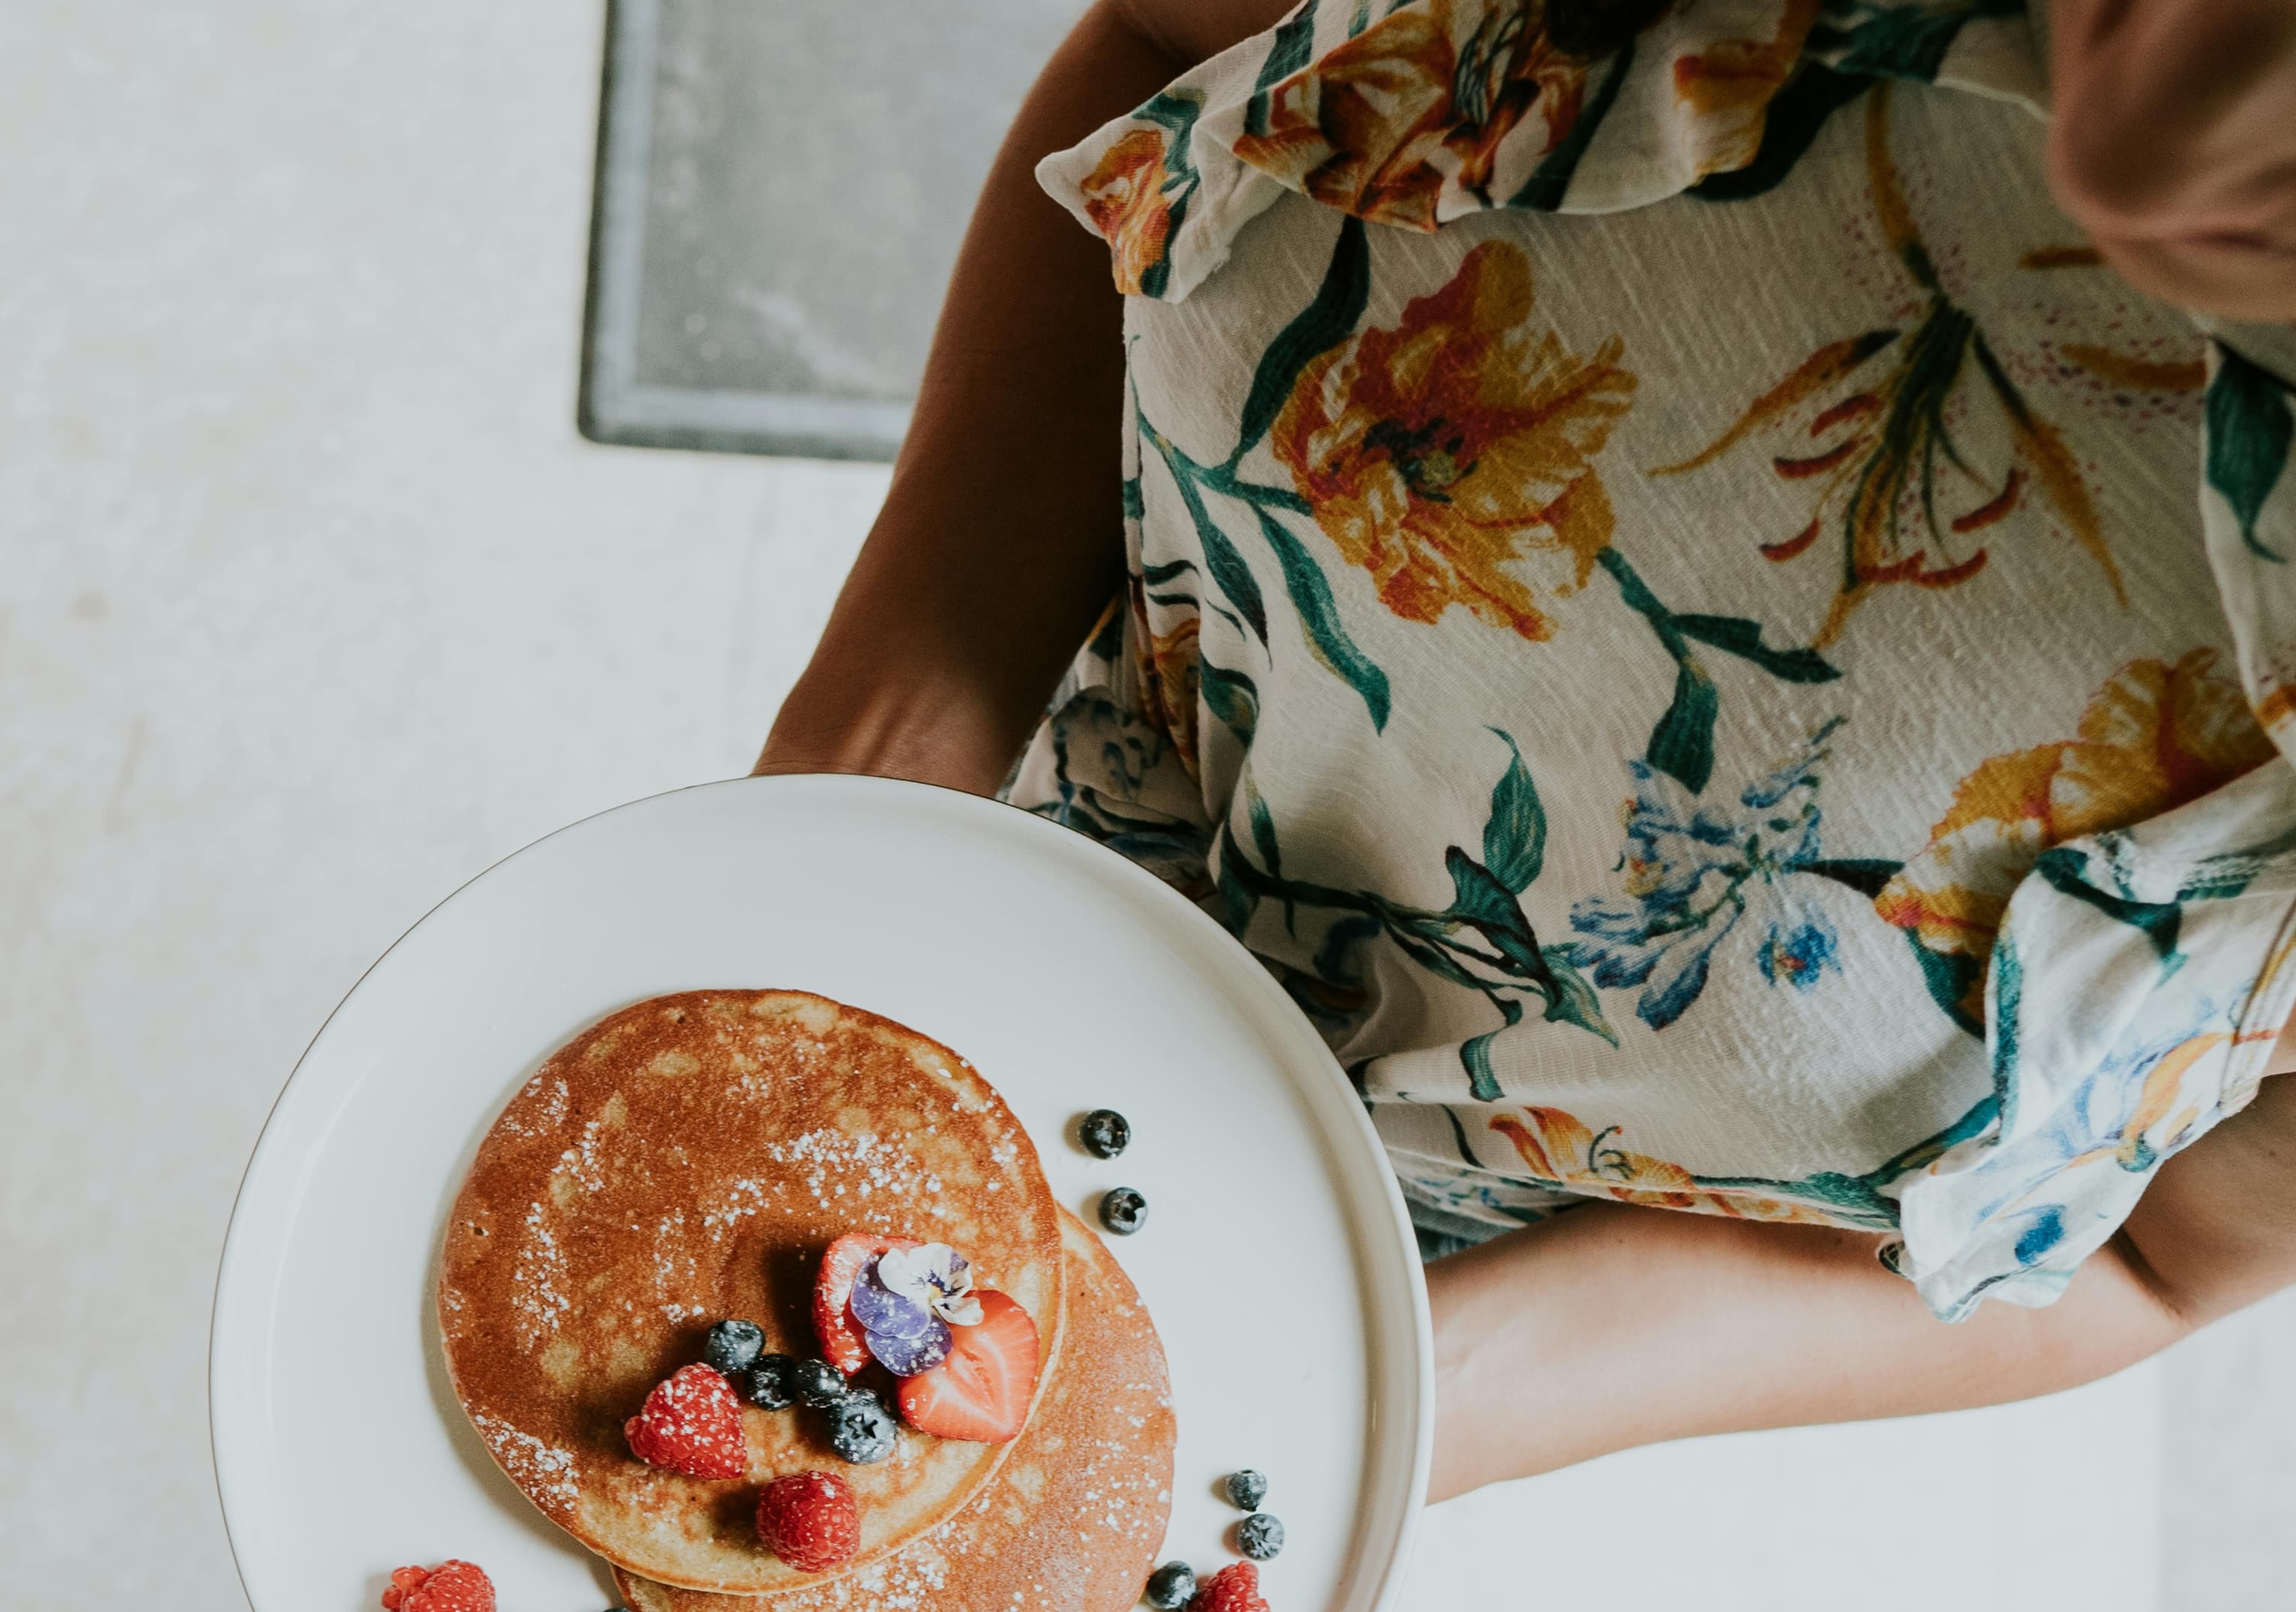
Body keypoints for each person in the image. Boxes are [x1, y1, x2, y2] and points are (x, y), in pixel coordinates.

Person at [758, 0, 2296, 1499]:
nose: (2185, 112)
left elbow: (2160, 1261)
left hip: (1429, 1262)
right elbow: (1164, 58)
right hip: (1054, 814)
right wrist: (853, 809)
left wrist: (1361, 1399)